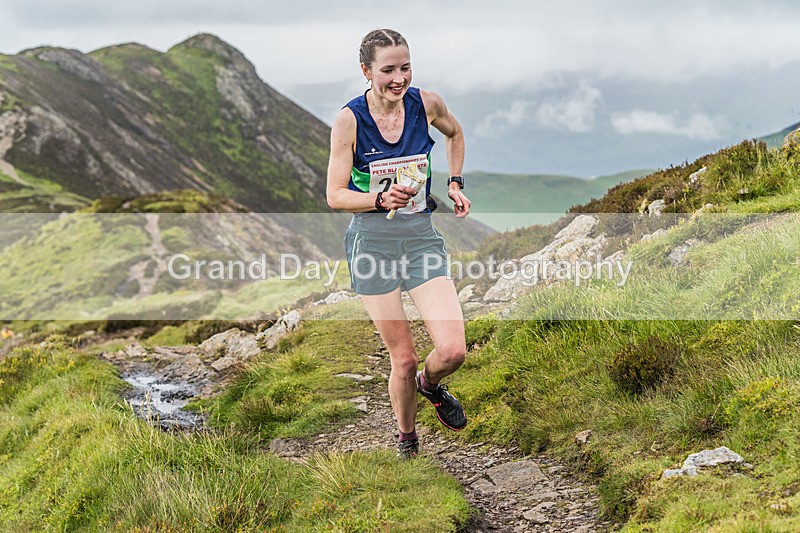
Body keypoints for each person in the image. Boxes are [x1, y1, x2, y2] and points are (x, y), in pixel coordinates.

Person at [326, 28, 471, 460]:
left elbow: (455, 133)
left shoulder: (426, 103)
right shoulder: (349, 120)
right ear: (366, 71)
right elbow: (335, 195)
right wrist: (378, 199)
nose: (398, 78)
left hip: (420, 238)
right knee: (403, 360)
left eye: (405, 67)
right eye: (388, 69)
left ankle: (431, 386)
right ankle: (407, 441)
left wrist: (456, 183)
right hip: (372, 244)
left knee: (452, 350)